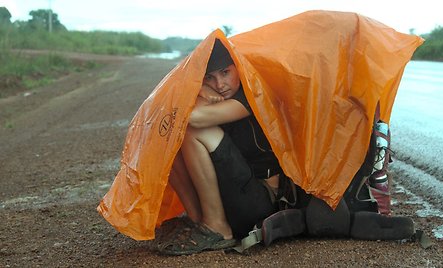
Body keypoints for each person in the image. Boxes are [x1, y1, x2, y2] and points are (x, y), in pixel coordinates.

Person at [155, 38, 415, 255]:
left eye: (225, 73)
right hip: (236, 194)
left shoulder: (251, 96)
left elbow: (191, 117)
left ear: (237, 68)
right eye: (210, 78)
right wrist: (200, 91)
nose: (220, 84)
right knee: (173, 138)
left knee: (192, 132)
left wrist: (200, 94)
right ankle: (197, 219)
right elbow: (174, 117)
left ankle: (218, 228)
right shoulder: (223, 94)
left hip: (261, 202)